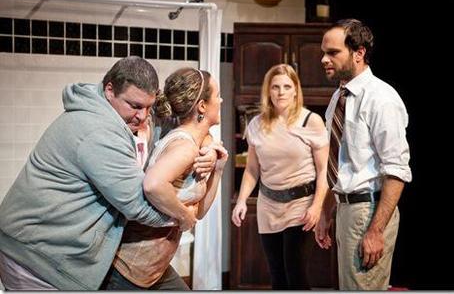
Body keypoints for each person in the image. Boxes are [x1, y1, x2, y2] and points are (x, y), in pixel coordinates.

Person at [0, 56, 217, 290]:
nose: (143, 116)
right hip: (35, 257)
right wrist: (185, 217)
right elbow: (138, 206)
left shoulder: (120, 115)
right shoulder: (97, 131)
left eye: (147, 107)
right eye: (134, 106)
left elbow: (189, 125)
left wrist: (209, 146)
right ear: (110, 89)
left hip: (54, 249)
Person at [101, 67, 228, 290]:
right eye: (217, 95)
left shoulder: (195, 143)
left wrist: (218, 169)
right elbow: (153, 184)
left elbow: (198, 212)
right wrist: (183, 217)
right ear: (202, 106)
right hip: (127, 271)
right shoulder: (185, 147)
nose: (221, 99)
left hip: (154, 271)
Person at [314, 19, 412, 290]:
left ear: (359, 53)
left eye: (332, 52)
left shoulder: (381, 98)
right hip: (346, 209)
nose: (324, 59)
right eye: (323, 52)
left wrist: (376, 230)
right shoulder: (339, 96)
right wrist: (326, 212)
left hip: (368, 211)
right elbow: (341, 163)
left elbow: (397, 170)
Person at [231, 64, 329, 290]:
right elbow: (252, 169)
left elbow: (324, 170)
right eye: (275, 87)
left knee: (295, 272)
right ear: (268, 91)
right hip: (269, 206)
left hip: (301, 206)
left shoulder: (310, 121)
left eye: (287, 86)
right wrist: (242, 200)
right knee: (276, 274)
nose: (281, 92)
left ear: (296, 90)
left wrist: (317, 207)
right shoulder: (257, 124)